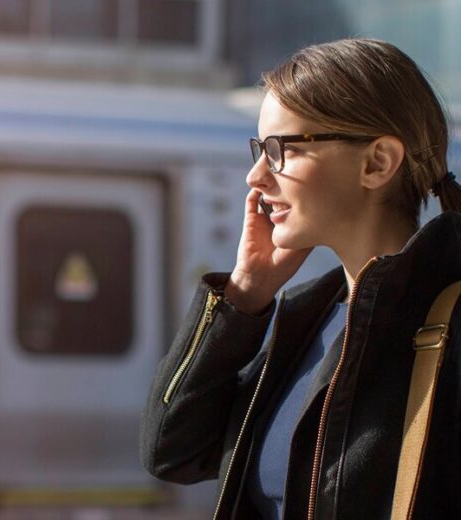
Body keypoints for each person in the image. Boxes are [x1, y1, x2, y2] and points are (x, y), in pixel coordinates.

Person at [140, 38, 461, 519]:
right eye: (258, 150)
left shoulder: (450, 324)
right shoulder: (307, 320)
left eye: (278, 150)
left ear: (377, 162)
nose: (255, 177)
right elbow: (172, 452)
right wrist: (244, 296)